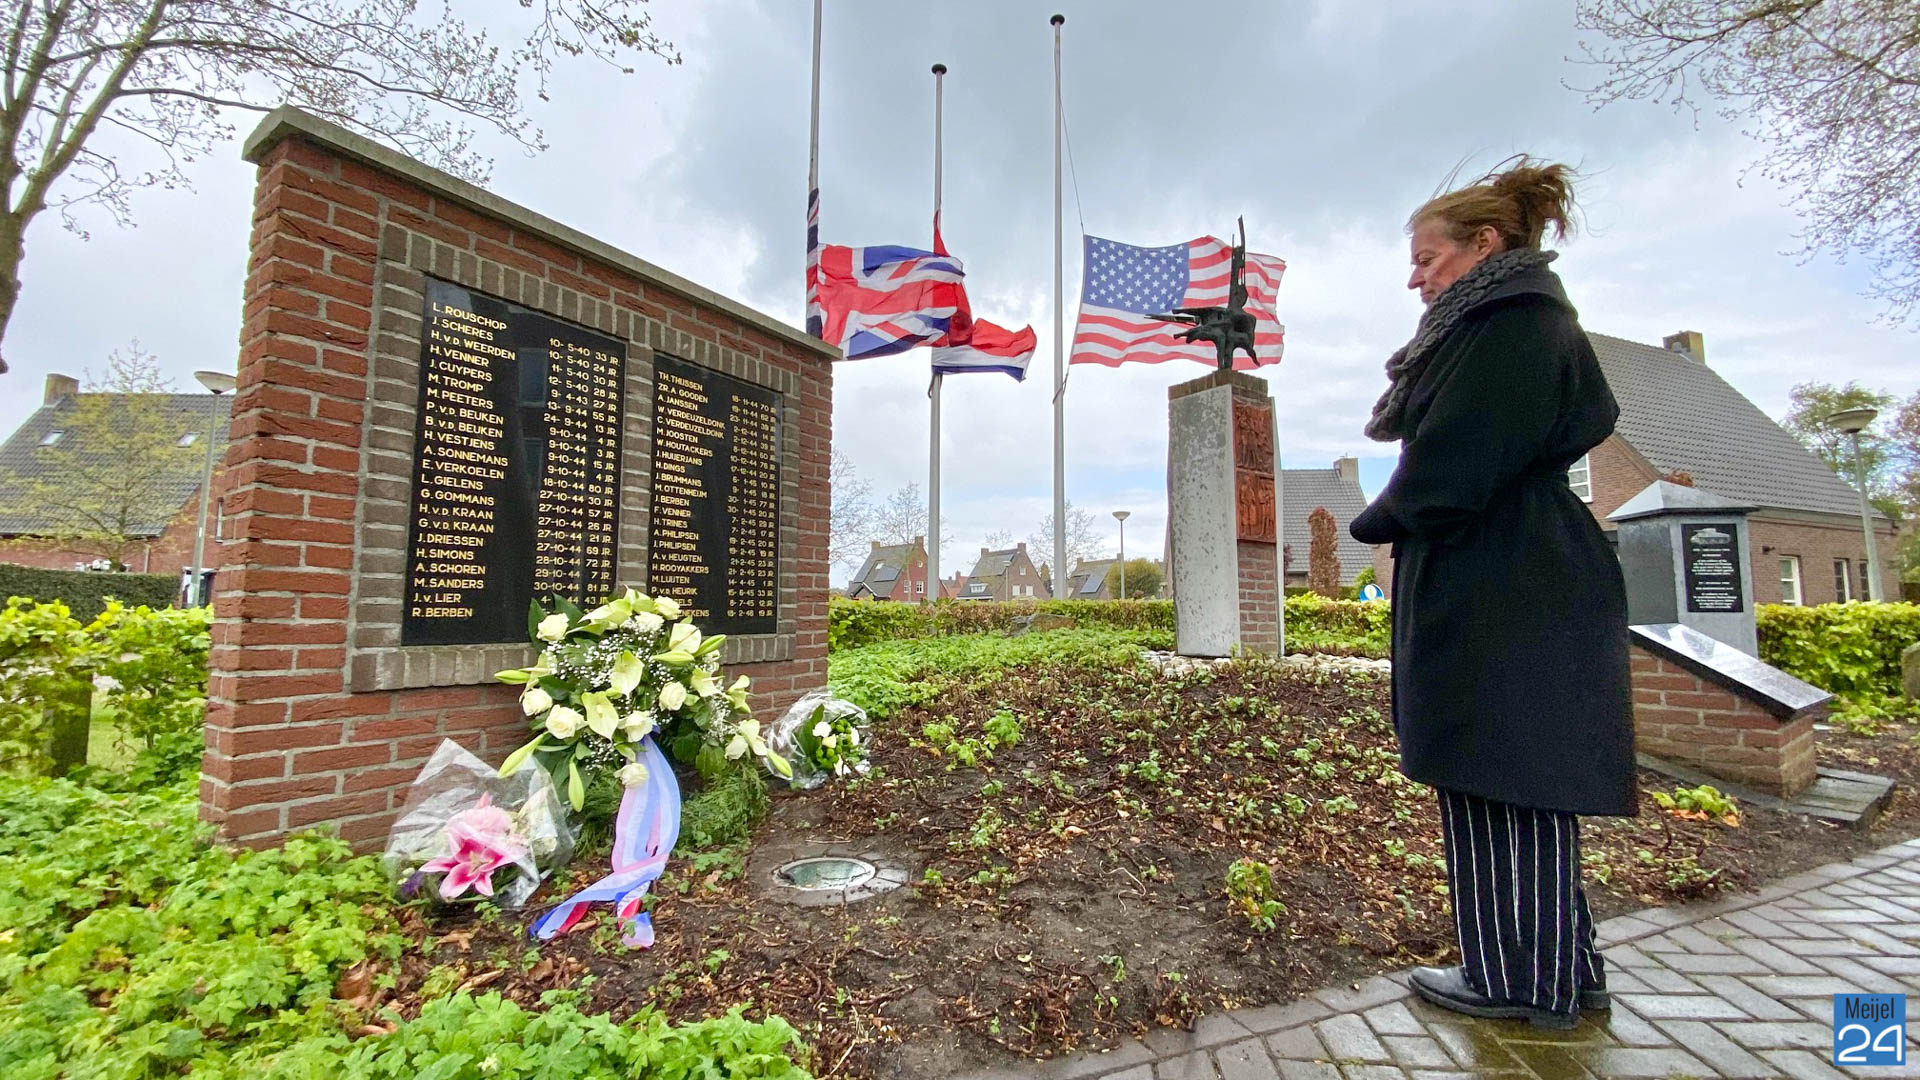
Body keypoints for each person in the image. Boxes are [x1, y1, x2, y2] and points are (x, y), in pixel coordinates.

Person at [1349, 158, 1635, 1030]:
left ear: (1484, 244)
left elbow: (1456, 461)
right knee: (1516, 772)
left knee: (1499, 772)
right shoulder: (1522, 320)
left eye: (1426, 258)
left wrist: (1379, 520)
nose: (1415, 278)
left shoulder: (1509, 325)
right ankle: (1563, 968)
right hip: (1513, 568)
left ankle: (1518, 981)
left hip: (1501, 577)